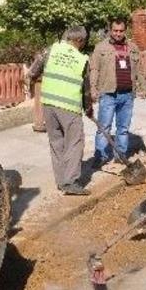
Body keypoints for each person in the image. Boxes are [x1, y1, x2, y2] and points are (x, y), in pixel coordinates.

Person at [29, 26, 92, 196]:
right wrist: (89, 109)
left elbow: (33, 71)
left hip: (48, 105)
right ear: (79, 40)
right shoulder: (82, 59)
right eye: (83, 42)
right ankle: (70, 182)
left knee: (56, 143)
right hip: (69, 107)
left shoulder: (50, 50)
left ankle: (61, 181)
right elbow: (86, 90)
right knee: (75, 143)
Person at [89, 18, 146, 166]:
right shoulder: (100, 47)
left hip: (127, 95)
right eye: (115, 30)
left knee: (123, 128)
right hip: (108, 94)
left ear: (125, 31)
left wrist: (145, 87)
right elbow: (94, 69)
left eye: (121, 31)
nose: (118, 34)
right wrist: (93, 88)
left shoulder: (132, 47)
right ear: (110, 30)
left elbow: (139, 70)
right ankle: (100, 156)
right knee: (104, 127)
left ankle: (120, 155)